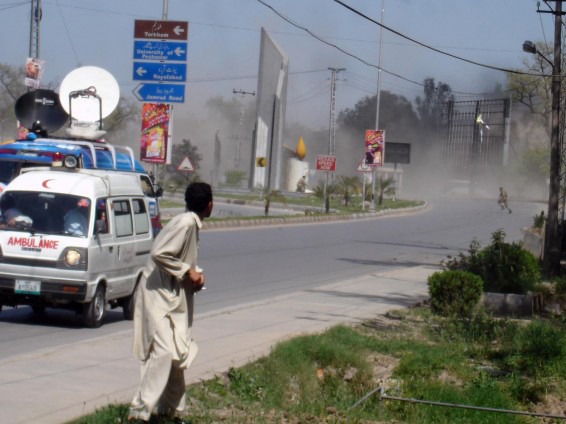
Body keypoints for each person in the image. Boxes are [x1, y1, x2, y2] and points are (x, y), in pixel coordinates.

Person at [129, 182, 213, 423]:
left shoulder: (190, 223)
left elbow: (179, 259)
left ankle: (171, 411)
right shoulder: (187, 223)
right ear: (210, 205)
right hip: (157, 294)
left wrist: (194, 273)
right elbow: (159, 253)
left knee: (176, 353)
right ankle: (139, 412)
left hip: (170, 295)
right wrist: (188, 272)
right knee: (164, 351)